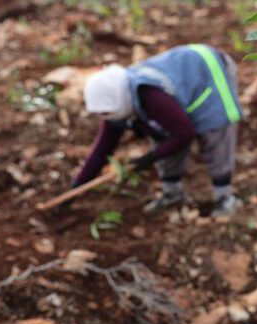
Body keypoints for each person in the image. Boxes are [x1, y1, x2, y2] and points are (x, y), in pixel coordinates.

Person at [72, 44, 242, 216]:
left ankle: (225, 197)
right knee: (162, 134)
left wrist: (150, 158)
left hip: (207, 70)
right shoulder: (115, 108)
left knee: (214, 129)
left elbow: (184, 134)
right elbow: (102, 150)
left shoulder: (151, 96)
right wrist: (76, 187)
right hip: (180, 86)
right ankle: (173, 194)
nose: (105, 116)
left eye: (107, 112)